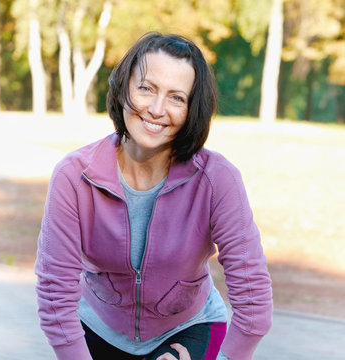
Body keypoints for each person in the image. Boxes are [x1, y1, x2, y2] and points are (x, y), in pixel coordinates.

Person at [34, 32, 273, 360]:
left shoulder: (218, 179)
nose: (157, 109)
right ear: (123, 89)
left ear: (192, 110)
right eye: (146, 88)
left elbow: (253, 302)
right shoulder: (73, 177)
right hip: (98, 328)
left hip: (189, 327)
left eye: (177, 98)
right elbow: (54, 296)